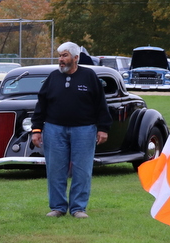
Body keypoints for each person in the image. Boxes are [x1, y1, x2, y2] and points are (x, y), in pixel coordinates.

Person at [31, 42, 112, 219]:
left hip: (84, 130)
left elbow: (101, 105)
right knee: (55, 169)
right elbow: (41, 106)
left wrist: (103, 128)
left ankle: (78, 208)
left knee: (82, 170)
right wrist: (36, 129)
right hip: (54, 130)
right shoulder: (53, 78)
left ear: (76, 58)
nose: (61, 59)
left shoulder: (89, 76)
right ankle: (58, 207)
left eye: (65, 55)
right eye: (60, 56)